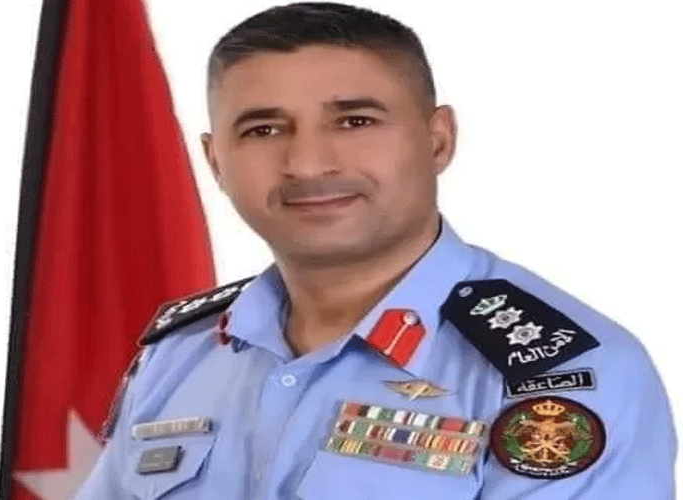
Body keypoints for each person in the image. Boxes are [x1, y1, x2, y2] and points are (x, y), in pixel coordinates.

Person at [74, 2, 675, 498]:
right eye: (263, 130)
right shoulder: (181, 353)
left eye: (355, 121)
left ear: (438, 140)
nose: (307, 164)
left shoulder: (557, 378)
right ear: (215, 162)